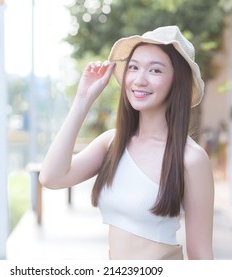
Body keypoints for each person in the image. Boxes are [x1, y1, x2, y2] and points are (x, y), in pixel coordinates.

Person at [39, 26, 214, 260]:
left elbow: (201, 254)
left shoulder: (191, 159)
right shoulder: (111, 143)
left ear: (176, 81)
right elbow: (51, 177)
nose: (139, 80)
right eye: (133, 67)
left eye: (155, 70)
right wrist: (83, 100)